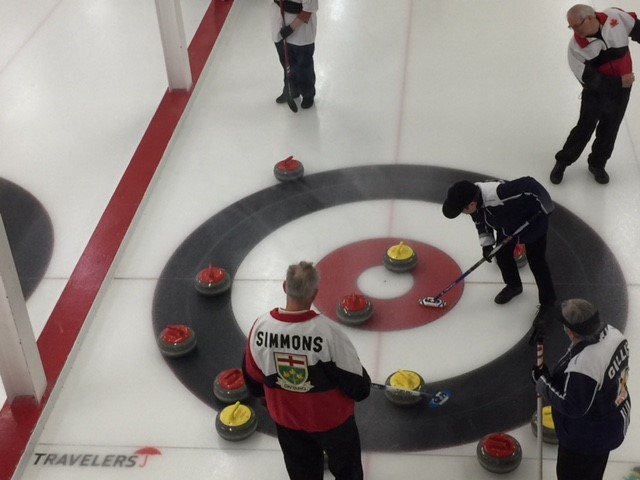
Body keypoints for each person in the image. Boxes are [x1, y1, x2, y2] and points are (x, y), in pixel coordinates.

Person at [242, 261, 371, 480]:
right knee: (347, 470)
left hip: (287, 420)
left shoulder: (260, 328)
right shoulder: (329, 333)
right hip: (333, 422)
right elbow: (358, 386)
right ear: (315, 294)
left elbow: (252, 376)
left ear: (285, 286)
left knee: (302, 472)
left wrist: (267, 398)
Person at [532, 299, 631, 480]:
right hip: (610, 421)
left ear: (570, 331)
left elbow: (571, 405)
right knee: (593, 472)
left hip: (587, 439)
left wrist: (542, 382)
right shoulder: (613, 334)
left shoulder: (586, 363)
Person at [442, 177, 557, 324]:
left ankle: (548, 303)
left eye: (463, 210)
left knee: (537, 263)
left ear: (471, 203)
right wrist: (487, 243)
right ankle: (514, 285)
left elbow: (529, 184)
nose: (465, 213)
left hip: (532, 225)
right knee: (502, 255)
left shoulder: (499, 193)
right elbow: (481, 222)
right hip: (506, 228)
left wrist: (546, 208)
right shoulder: (473, 202)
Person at [550, 4, 639, 185]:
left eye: (577, 25)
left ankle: (597, 164)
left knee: (610, 129)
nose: (574, 31)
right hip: (596, 94)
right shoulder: (575, 48)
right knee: (584, 129)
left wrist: (622, 85)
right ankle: (563, 161)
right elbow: (590, 79)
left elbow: (638, 29)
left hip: (622, 92)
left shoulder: (616, 18)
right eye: (571, 27)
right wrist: (620, 82)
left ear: (591, 18)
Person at [271, 0, 318, 109]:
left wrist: (290, 29)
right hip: (280, 29)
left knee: (303, 67)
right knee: (286, 64)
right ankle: (291, 90)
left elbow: (307, 12)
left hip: (300, 34)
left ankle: (307, 94)